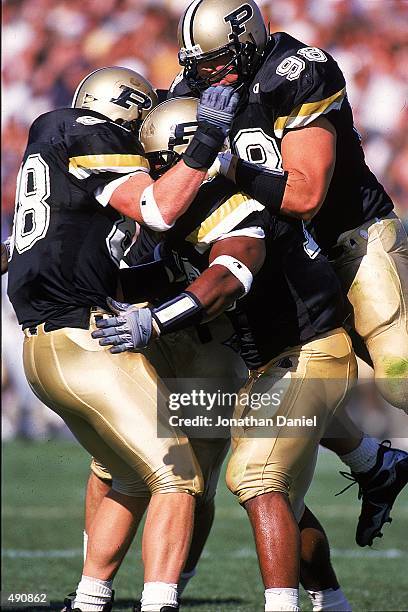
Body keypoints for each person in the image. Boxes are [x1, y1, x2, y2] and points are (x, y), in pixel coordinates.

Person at [93, 95, 357, 612]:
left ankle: (281, 606)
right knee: (284, 497)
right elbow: (164, 274)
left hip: (308, 352)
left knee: (253, 475)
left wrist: (155, 321)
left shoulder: (227, 200)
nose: (152, 175)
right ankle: (333, 599)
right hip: (275, 361)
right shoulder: (200, 203)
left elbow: (227, 277)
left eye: (157, 161)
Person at [172, 0, 408, 548]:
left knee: (398, 375)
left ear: (248, 39)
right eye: (200, 64)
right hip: (282, 263)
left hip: (349, 243)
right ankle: (376, 463)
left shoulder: (295, 71)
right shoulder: (200, 86)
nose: (208, 73)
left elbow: (304, 195)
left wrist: (225, 161)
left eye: (218, 60)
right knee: (283, 387)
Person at [6, 65, 240, 612]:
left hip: (46, 347)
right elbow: (157, 209)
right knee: (179, 476)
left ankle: (89, 600)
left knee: (128, 476)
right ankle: (160, 603)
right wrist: (204, 141)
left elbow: (45, 237)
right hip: (80, 341)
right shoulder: (91, 133)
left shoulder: (52, 136)